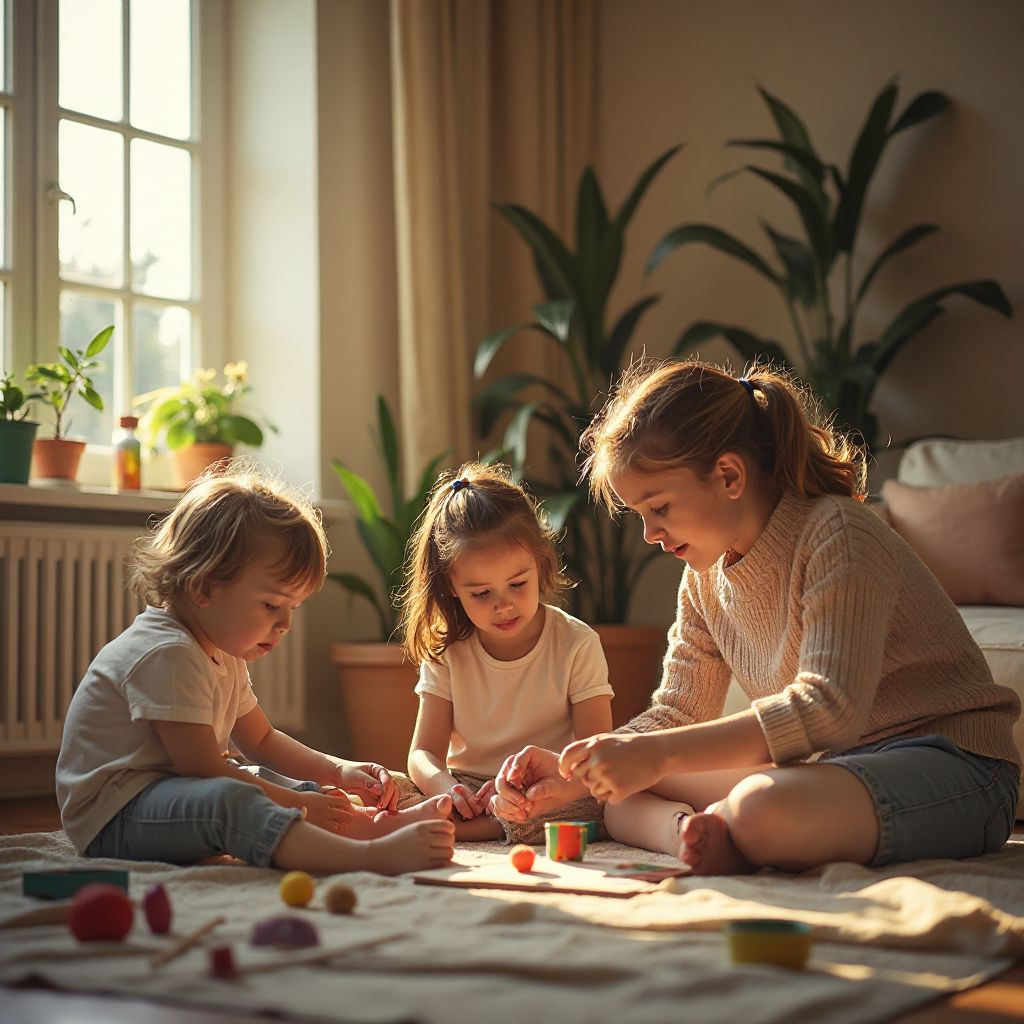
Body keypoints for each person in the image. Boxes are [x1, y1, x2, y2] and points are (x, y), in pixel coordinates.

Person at [493, 359, 1020, 874]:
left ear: (728, 475)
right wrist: (583, 772)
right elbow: (678, 713)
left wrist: (653, 754)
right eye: (640, 516)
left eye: (660, 508)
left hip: (956, 768)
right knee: (627, 791)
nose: (650, 534)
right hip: (835, 770)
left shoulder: (838, 532)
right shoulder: (702, 578)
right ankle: (689, 836)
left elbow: (829, 709)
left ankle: (737, 826)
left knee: (761, 808)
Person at [56, 462, 455, 875]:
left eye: (292, 608)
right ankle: (367, 856)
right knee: (233, 795)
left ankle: (367, 828)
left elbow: (261, 739)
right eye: (271, 605)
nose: (285, 625)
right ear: (204, 586)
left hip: (168, 794)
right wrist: (300, 804)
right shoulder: (168, 653)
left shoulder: (219, 649)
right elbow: (204, 771)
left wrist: (339, 770)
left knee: (258, 776)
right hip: (116, 818)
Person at [398, 462, 614, 840]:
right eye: (481, 594)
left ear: (540, 562)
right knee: (391, 789)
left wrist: (528, 794)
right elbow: (422, 756)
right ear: (451, 585)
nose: (504, 605)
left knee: (595, 804)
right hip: (467, 788)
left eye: (518, 584)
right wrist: (447, 789)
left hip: (542, 789)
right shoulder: (448, 651)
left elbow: (592, 760)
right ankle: (463, 821)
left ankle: (462, 827)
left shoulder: (577, 643)